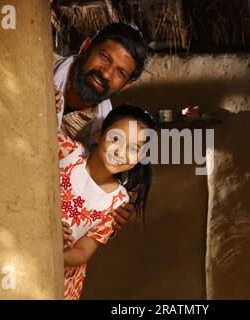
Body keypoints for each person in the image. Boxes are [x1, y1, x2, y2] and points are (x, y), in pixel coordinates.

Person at [54, 22, 149, 239]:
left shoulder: (102, 134)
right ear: (86, 47)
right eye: (105, 57)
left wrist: (108, 213)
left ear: (125, 86)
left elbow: (92, 195)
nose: (106, 73)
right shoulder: (37, 69)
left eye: (120, 72)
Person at [59, 104, 156, 300]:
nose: (121, 152)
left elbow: (83, 251)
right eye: (116, 139)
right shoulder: (68, 153)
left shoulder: (117, 202)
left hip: (60, 273)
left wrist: (51, 253)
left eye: (134, 148)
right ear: (98, 135)